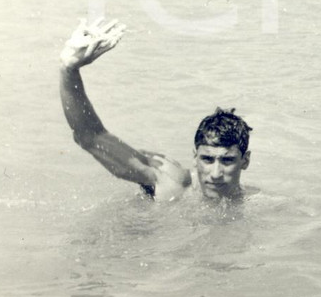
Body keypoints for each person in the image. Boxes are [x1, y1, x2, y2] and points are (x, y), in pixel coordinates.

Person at [59, 18, 252, 202]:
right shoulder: (171, 183)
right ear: (194, 157)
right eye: (207, 159)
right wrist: (69, 70)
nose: (216, 174)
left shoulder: (262, 204)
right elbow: (90, 137)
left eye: (227, 161)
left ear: (245, 161)